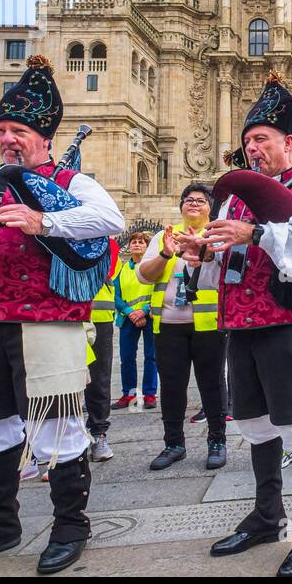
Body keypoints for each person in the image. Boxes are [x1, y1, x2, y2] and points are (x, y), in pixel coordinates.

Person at [0, 55, 126, 576]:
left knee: (59, 426)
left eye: (18, 130)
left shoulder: (70, 181)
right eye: (2, 131)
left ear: (43, 138)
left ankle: (69, 526)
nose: (8, 139)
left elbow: (110, 220)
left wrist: (42, 220)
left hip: (47, 322)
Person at [205, 72, 292, 578]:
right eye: (247, 142)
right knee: (255, 425)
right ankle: (267, 515)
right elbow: (228, 261)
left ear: (289, 142)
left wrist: (256, 231)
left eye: (261, 139)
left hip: (287, 325)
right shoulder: (236, 197)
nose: (253, 149)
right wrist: (205, 252)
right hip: (241, 326)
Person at [137, 184, 228, 472]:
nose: (194, 204)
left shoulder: (217, 237)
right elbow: (143, 276)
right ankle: (174, 443)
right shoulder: (164, 236)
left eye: (201, 201)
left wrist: (206, 254)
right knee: (172, 386)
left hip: (208, 325)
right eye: (188, 200)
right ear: (180, 206)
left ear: (210, 208)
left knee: (212, 385)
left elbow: (226, 278)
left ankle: (217, 441)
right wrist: (165, 254)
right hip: (168, 326)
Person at [112, 231, 157, 409]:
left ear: (147, 247)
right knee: (127, 357)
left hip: (150, 317)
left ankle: (150, 394)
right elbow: (116, 294)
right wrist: (130, 312)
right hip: (128, 318)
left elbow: (158, 290)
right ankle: (128, 394)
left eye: (141, 242)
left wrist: (144, 311)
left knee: (151, 357)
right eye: (133, 242)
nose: (136, 244)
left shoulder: (153, 267)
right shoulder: (122, 269)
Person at [85, 238, 120, 462]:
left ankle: (98, 433)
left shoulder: (108, 243)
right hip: (58, 315)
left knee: (98, 378)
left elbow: (102, 269)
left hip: (98, 316)